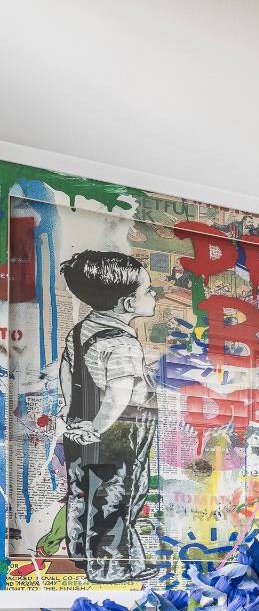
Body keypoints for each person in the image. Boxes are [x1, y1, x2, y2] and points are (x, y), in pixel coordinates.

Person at [56, 250, 159, 584]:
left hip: (80, 427)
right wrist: (99, 428)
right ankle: (114, 566)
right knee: (118, 497)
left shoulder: (80, 331)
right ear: (128, 304)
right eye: (148, 291)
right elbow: (119, 395)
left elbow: (67, 370)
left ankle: (81, 552)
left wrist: (71, 413)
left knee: (82, 491)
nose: (154, 295)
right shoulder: (123, 344)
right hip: (117, 433)